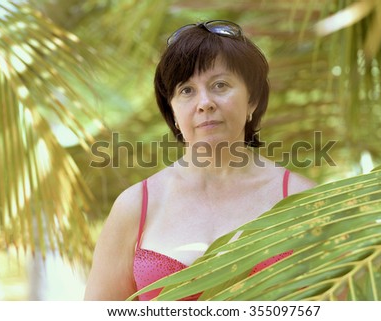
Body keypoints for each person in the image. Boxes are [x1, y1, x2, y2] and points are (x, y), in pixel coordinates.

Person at [84, 20, 315, 301]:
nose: (204, 102)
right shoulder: (134, 207)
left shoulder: (304, 200)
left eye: (220, 85)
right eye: (186, 90)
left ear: (252, 100)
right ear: (173, 111)